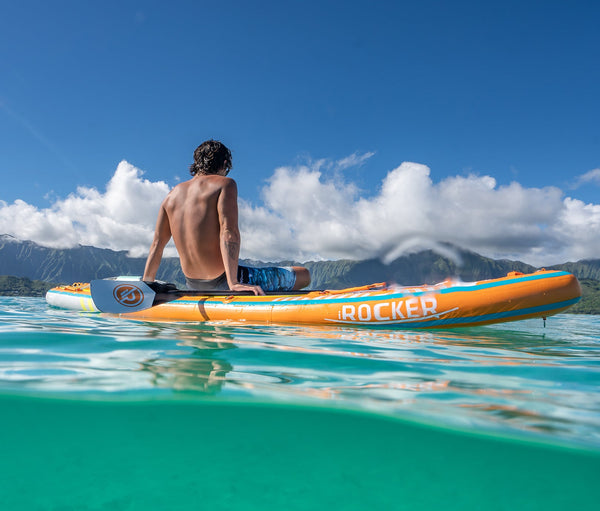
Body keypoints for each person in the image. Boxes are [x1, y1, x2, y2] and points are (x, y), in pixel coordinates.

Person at [142, 140, 310, 295]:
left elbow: (157, 244)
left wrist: (146, 286)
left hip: (193, 283)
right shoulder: (224, 184)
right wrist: (234, 283)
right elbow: (228, 232)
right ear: (224, 164)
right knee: (303, 274)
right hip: (223, 280)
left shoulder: (170, 197)